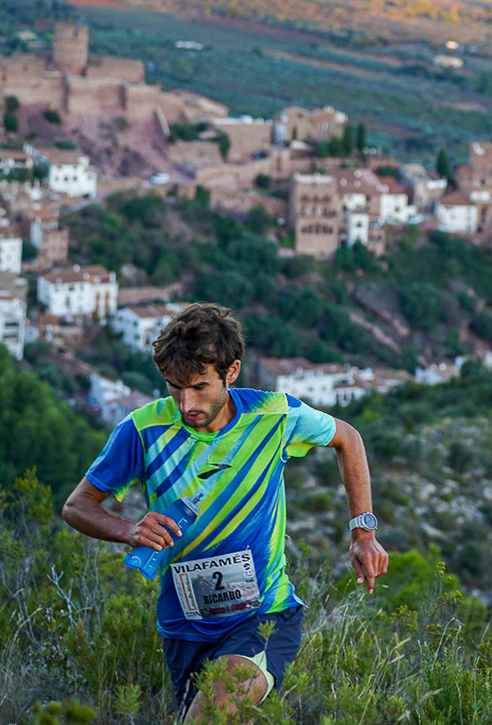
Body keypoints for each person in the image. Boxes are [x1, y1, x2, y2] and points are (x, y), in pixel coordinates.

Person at [62, 302, 388, 719]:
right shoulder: (143, 429)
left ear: (231, 372)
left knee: (211, 714)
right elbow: (77, 507)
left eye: (199, 386)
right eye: (174, 387)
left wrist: (363, 532)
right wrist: (128, 530)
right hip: (183, 624)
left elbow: (348, 438)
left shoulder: (274, 415)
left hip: (264, 615)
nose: (186, 403)